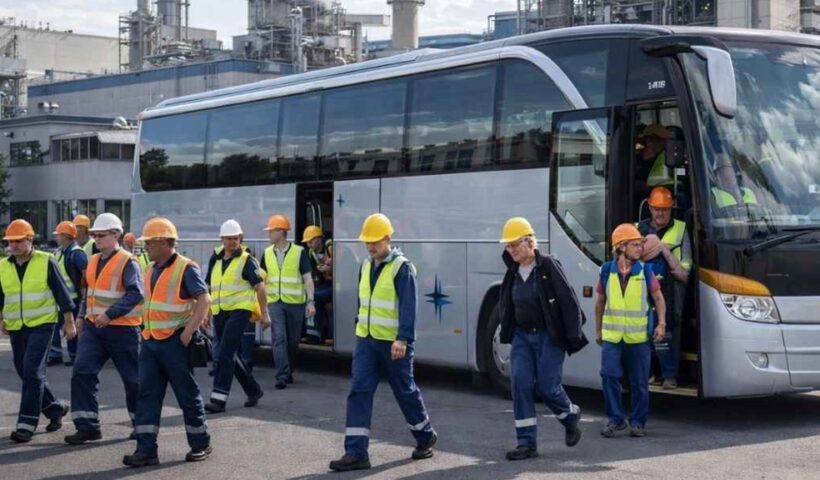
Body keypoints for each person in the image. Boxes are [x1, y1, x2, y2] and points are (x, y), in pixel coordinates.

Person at [329, 213, 436, 472]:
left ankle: (425, 435)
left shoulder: (401, 268)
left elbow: (409, 307)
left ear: (388, 238)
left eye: (375, 241)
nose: (370, 246)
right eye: (367, 241)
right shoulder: (365, 266)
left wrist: (403, 339)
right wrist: (360, 324)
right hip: (366, 341)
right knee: (359, 391)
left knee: (404, 391)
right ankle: (356, 453)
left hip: (393, 344)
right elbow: (364, 301)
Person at [123, 217, 212, 467]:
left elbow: (204, 300)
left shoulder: (186, 268)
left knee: (186, 394)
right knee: (146, 395)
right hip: (151, 341)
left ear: (163, 242)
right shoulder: (150, 269)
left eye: (149, 242)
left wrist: (188, 333)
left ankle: (200, 444)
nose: (146, 247)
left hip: (174, 342)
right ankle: (146, 450)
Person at [497, 217, 585, 461]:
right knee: (520, 385)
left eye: (515, 244)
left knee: (547, 387)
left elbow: (568, 299)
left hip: (549, 336)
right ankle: (526, 444)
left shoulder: (548, 266)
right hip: (522, 337)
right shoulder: (512, 271)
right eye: (508, 246)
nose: (511, 250)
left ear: (529, 242)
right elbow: (507, 303)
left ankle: (570, 417)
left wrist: (573, 333)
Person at [65, 212, 144, 445]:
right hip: (94, 328)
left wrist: (109, 314)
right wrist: (81, 316)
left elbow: (136, 294)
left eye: (101, 235)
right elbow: (87, 293)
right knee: (82, 373)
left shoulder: (128, 261)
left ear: (116, 235)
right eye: (95, 235)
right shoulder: (92, 261)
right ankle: (87, 427)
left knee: (134, 380)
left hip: (123, 330)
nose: (97, 239)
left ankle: (142, 426)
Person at [1, 219, 76, 443]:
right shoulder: (3, 266)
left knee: (32, 371)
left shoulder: (46, 261)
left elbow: (62, 294)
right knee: (23, 370)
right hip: (17, 326)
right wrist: (2, 319)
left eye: (18, 241)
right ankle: (54, 409)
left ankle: (26, 424)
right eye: (10, 241)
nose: (13, 245)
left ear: (30, 239)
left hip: (42, 325)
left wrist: (69, 322)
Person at [595, 224, 666, 438]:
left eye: (640, 244)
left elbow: (658, 298)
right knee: (609, 376)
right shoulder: (606, 270)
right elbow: (600, 302)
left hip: (638, 338)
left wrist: (661, 324)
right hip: (612, 337)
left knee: (639, 383)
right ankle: (616, 420)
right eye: (635, 245)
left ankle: (638, 422)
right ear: (621, 247)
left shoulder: (645, 271)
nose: (640, 248)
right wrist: (598, 331)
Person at [203, 219, 268, 413]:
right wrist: (206, 313)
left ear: (240, 238)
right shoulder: (215, 259)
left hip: (241, 310)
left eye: (236, 238)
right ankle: (253, 390)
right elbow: (208, 288)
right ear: (222, 239)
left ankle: (218, 399)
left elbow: (260, 287)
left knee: (224, 353)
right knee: (229, 353)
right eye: (228, 238)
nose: (232, 242)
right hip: (220, 311)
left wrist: (265, 313)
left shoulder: (247, 260)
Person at [636, 187, 691, 389]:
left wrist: (663, 251)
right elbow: (627, 260)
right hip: (641, 290)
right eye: (657, 209)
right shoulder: (636, 229)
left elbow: (685, 273)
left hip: (671, 291)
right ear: (650, 207)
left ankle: (669, 375)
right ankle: (648, 372)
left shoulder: (681, 229)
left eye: (665, 209)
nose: (660, 213)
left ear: (671, 209)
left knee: (668, 331)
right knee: (643, 330)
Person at [262, 214, 314, 389]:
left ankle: (288, 370)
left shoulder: (299, 252)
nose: (269, 234)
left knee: (293, 340)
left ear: (281, 231)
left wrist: (311, 302)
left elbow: (308, 279)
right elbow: (261, 280)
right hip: (274, 302)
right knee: (278, 337)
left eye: (271, 231)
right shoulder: (267, 253)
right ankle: (282, 375)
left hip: (295, 303)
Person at [48, 220, 88, 367]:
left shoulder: (76, 253)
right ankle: (56, 354)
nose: (56, 237)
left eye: (58, 234)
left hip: (74, 299)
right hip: (61, 299)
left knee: (71, 328)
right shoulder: (59, 252)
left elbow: (85, 275)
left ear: (65, 236)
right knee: (55, 326)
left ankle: (74, 356)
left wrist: (84, 295)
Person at [302, 225, 333, 345]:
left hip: (336, 284)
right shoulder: (310, 253)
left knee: (314, 296)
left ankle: (314, 335)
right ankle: (313, 333)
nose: (308, 245)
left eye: (310, 242)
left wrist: (330, 268)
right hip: (326, 283)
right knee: (311, 294)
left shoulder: (330, 247)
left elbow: (342, 264)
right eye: (307, 243)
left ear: (319, 239)